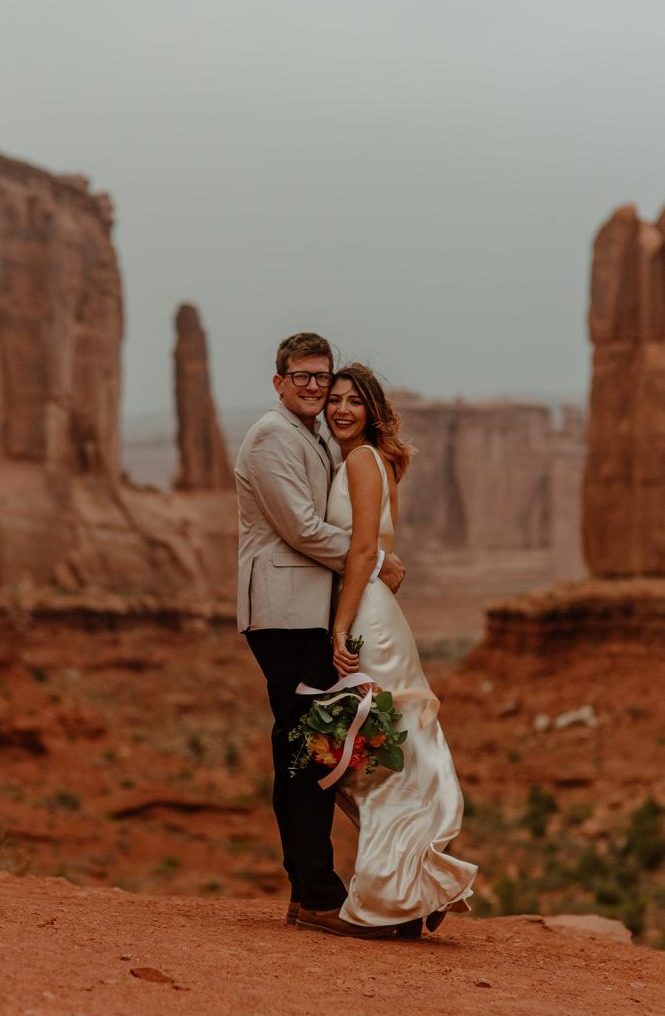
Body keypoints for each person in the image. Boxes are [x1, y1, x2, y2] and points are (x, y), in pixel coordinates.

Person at [234, 334, 405, 938]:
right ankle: (318, 898)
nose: (313, 386)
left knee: (302, 756)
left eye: (321, 377)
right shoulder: (272, 437)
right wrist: (376, 560)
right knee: (312, 758)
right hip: (284, 616)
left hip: (303, 614)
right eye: (301, 376)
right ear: (278, 381)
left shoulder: (314, 436)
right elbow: (304, 530)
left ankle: (310, 891)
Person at [321, 363, 477, 937]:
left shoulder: (362, 461)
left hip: (364, 615)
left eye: (353, 402)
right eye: (333, 399)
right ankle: (413, 885)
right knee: (377, 753)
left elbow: (364, 552)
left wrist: (339, 629)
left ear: (372, 411)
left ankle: (388, 901)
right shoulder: (375, 461)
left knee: (372, 756)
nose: (340, 409)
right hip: (376, 611)